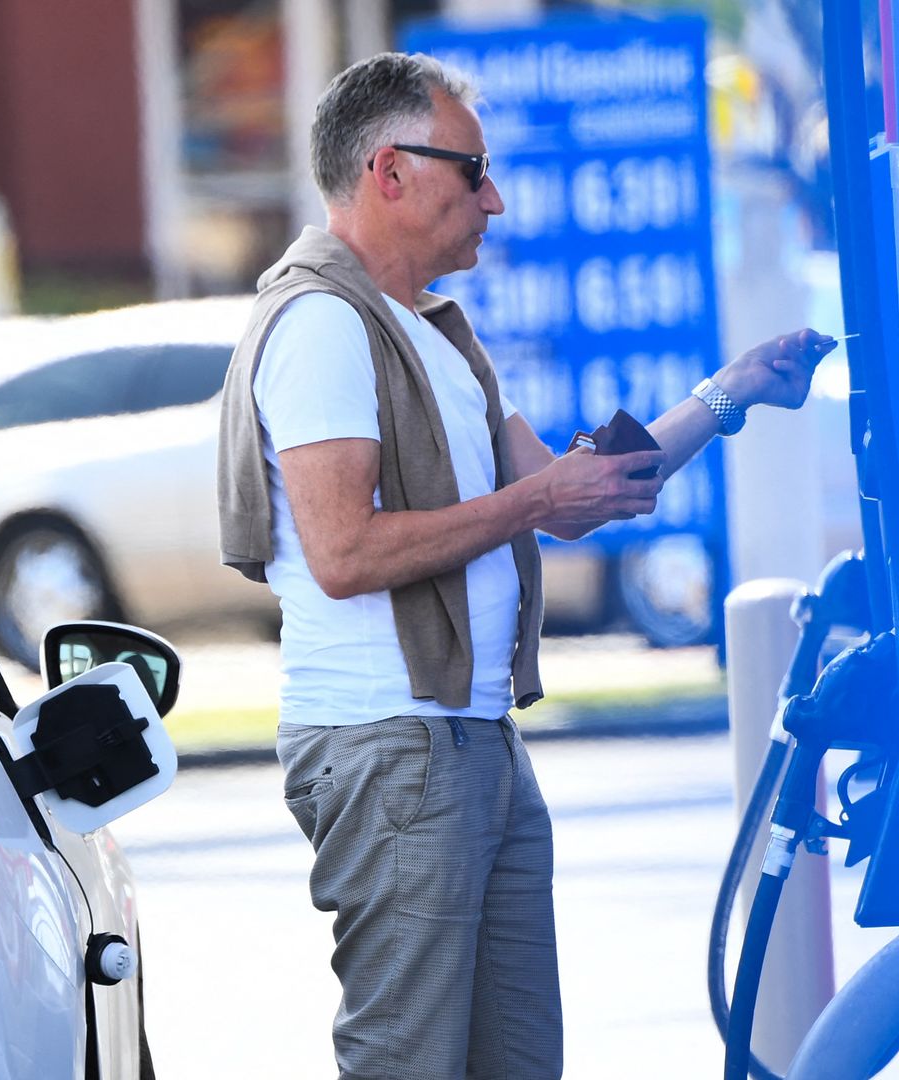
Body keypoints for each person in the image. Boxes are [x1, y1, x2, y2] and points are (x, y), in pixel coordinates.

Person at [214, 53, 835, 1080]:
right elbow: (343, 553)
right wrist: (539, 501)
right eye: (474, 168)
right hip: (390, 747)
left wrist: (728, 397)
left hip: (472, 741)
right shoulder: (323, 325)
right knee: (408, 1062)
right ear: (390, 171)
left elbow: (577, 493)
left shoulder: (438, 339)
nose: (493, 198)